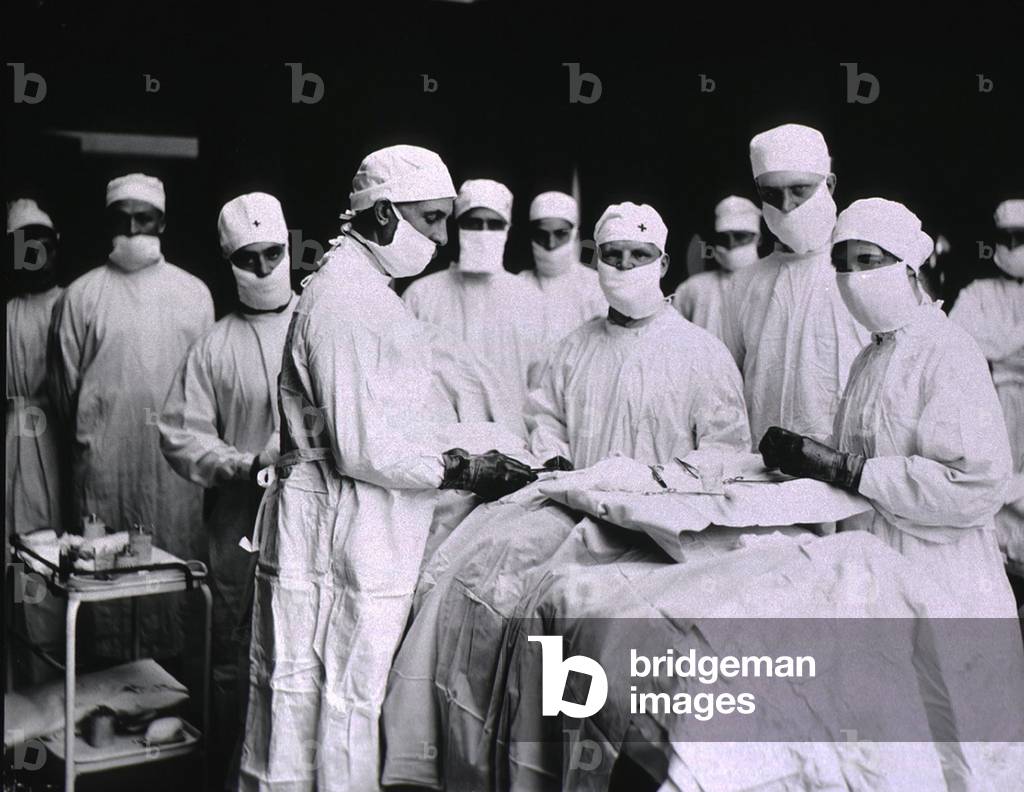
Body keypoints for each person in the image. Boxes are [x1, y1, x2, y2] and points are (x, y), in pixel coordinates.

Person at [239, 145, 536, 792]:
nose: (440, 237)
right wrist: (468, 466)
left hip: (349, 515)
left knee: (322, 694)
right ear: (381, 217)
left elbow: (387, 411)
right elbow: (365, 448)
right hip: (340, 519)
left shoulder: (365, 289)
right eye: (429, 220)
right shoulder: (349, 301)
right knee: (332, 696)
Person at [759, 197, 1017, 620]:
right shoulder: (872, 355)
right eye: (842, 264)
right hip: (870, 569)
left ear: (909, 268)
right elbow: (870, 448)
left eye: (868, 261)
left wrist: (846, 469)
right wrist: (809, 454)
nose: (853, 277)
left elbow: (976, 485)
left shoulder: (946, 351)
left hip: (941, 579)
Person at [158, 192, 297, 780]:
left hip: (320, 518)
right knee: (234, 650)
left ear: (291, 248)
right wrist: (243, 464)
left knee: (304, 649)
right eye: (249, 259)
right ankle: (228, 771)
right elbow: (180, 435)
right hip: (240, 527)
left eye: (273, 254)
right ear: (228, 261)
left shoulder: (322, 326)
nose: (264, 270)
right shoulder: (214, 347)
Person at [48, 174, 214, 662]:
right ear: (107, 223)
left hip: (172, 472)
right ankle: (107, 680)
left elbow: (203, 393)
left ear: (162, 221)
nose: (133, 228)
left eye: (144, 218)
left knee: (170, 569)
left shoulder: (193, 293)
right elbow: (63, 393)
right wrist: (92, 438)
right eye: (122, 219)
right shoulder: (80, 296)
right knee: (104, 573)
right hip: (103, 465)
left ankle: (172, 687)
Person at [528, 201, 750, 467]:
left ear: (663, 264)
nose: (625, 264)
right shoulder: (572, 350)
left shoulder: (701, 353)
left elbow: (725, 448)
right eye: (612, 254)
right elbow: (546, 420)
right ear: (598, 261)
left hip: (667, 505)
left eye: (640, 254)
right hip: (581, 503)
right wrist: (555, 461)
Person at [725, 124, 870, 446]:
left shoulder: (869, 271)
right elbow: (727, 385)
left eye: (800, 189)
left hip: (846, 463)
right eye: (771, 194)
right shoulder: (745, 284)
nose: (787, 205)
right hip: (760, 464)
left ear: (829, 185)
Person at [403, 178, 542, 408]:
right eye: (474, 223)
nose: (483, 232)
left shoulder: (529, 299)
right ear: (458, 226)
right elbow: (405, 378)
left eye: (494, 224)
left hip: (512, 436)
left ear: (507, 229)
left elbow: (542, 387)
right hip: (442, 436)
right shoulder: (421, 296)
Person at [5, 198, 65, 684]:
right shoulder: (8, 312)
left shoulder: (71, 303)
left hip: (57, 443)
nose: (32, 255)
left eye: (39, 245)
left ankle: (53, 678)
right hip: (11, 441)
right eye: (22, 247)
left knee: (48, 555)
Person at [950, 199, 1024, 564]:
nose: (1012, 247)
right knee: (995, 489)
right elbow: (960, 341)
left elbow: (988, 343)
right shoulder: (978, 292)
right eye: (1005, 238)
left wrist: (997, 344)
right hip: (993, 402)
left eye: (1020, 238)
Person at [517, 191, 606, 386]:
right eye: (542, 235)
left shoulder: (596, 288)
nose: (551, 244)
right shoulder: (517, 288)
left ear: (574, 234)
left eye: (560, 234)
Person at [672, 195, 761, 342]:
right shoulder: (694, 288)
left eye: (740, 236)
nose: (731, 244)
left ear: (758, 239)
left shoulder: (772, 283)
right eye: (724, 238)